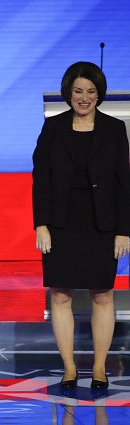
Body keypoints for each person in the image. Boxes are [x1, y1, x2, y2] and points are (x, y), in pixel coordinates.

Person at [32, 61, 130, 391]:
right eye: (78, 91)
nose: (84, 98)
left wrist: (123, 229)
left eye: (90, 91)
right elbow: (41, 178)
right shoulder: (53, 127)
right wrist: (41, 224)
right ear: (68, 94)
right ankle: (70, 368)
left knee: (103, 294)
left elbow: (123, 183)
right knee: (60, 295)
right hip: (60, 223)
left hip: (101, 223)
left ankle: (100, 368)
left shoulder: (115, 129)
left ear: (99, 94)